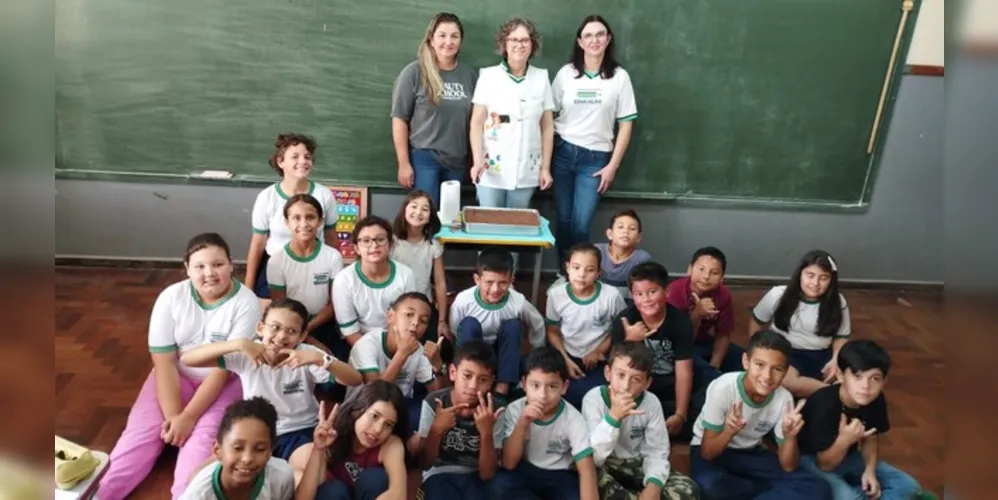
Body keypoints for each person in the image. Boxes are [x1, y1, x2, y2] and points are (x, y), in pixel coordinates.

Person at [98, 233, 261, 500]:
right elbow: (163, 360)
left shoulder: (246, 303)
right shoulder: (171, 297)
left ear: (231, 265)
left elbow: (222, 370)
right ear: (187, 268)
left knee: (200, 451)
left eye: (218, 264)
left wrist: (189, 418)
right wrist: (174, 417)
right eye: (199, 266)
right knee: (135, 441)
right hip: (174, 377)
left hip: (225, 382)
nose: (209, 273)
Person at [180, 298, 362, 460]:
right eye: (275, 327)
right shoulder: (247, 352)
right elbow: (188, 359)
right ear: (260, 328)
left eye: (292, 331)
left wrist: (320, 359)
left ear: (302, 336)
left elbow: (354, 379)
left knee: (302, 470)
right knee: (212, 470)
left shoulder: (307, 355)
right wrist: (237, 344)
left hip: (299, 429)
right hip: (256, 429)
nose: (282, 336)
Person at [690, 330, 831, 500]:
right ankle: (760, 489)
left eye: (777, 369)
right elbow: (707, 453)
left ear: (785, 372)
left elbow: (788, 467)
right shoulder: (723, 387)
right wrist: (729, 431)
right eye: (759, 365)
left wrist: (789, 437)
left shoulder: (784, 398)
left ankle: (754, 489)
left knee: (817, 487)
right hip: (714, 450)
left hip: (750, 452)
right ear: (746, 362)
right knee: (710, 486)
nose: (767, 376)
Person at [551, 14, 637, 266]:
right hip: (563, 152)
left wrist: (613, 166)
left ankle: (580, 274)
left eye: (600, 34)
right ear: (580, 41)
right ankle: (563, 272)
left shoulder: (619, 77)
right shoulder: (566, 74)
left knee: (581, 224)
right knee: (563, 219)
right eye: (588, 35)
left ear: (608, 39)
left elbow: (626, 124)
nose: (594, 40)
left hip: (595, 160)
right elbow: (547, 115)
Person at [797, 340, 924, 500]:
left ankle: (861, 491)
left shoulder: (875, 400)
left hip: (850, 457)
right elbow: (824, 465)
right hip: (812, 461)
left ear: (884, 382)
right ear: (841, 376)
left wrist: (869, 471)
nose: (866, 386)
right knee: (850, 497)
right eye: (857, 376)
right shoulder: (823, 404)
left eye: (874, 379)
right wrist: (844, 440)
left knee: (908, 486)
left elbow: (871, 437)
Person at [581, 342, 700, 500]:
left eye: (636, 379)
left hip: (638, 464)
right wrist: (613, 418)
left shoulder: (651, 403)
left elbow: (656, 452)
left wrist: (653, 485)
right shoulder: (593, 399)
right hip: (606, 464)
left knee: (689, 490)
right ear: (608, 373)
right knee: (591, 478)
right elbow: (594, 457)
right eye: (620, 375)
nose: (625, 386)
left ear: (647, 383)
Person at [610, 261, 710, 440]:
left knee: (703, 403)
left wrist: (680, 414)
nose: (646, 299)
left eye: (652, 292)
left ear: (667, 292)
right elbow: (616, 368)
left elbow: (683, 371)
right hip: (639, 385)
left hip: (671, 384)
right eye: (639, 294)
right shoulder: (624, 321)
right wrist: (630, 341)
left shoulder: (680, 322)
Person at [391, 13, 478, 207]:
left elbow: (475, 122)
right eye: (442, 35)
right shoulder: (414, 72)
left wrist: (474, 160)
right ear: (431, 39)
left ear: (461, 41)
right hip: (425, 158)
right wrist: (403, 164)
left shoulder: (469, 75)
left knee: (450, 216)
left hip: (457, 160)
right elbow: (399, 119)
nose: (448, 41)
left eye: (454, 36)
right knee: (425, 213)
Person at [490, 347, 599, 500]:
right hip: (526, 470)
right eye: (535, 385)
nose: (542, 395)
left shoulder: (573, 418)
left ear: (564, 387)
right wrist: (522, 423)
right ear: (524, 384)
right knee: (499, 484)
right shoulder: (515, 409)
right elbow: (509, 463)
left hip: (559, 476)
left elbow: (586, 469)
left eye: (552, 387)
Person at [469, 16, 554, 210]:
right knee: (490, 222)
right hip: (491, 167)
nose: (519, 45)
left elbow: (547, 127)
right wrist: (477, 160)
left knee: (517, 223)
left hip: (527, 168)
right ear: (504, 44)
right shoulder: (489, 76)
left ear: (532, 45)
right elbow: (476, 123)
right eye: (514, 39)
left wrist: (545, 168)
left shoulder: (541, 78)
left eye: (525, 40)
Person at [246, 134, 338, 299]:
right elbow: (258, 244)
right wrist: (248, 288)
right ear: (281, 162)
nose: (303, 161)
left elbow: (331, 239)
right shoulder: (267, 197)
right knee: (273, 309)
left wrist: (337, 280)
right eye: (295, 157)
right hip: (275, 265)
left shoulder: (324, 195)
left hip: (315, 265)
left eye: (307, 157)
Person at [749, 250, 851, 397]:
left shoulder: (839, 301)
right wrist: (756, 351)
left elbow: (841, 336)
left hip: (822, 354)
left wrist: (835, 360)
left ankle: (828, 391)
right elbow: (757, 321)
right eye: (810, 275)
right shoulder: (778, 294)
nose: (815, 283)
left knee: (853, 374)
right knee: (787, 382)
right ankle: (837, 394)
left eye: (824, 278)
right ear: (800, 274)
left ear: (831, 280)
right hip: (785, 350)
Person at [449, 246, 546, 396]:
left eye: (502, 283)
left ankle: (503, 387)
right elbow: (455, 329)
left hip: (503, 352)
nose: (495, 289)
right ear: (477, 280)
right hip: (474, 348)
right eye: (489, 282)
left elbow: (537, 323)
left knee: (513, 326)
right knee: (468, 324)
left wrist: (537, 350)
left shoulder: (517, 301)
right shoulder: (463, 300)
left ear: (511, 281)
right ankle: (470, 379)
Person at [415, 340, 505, 500]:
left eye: (483, 379)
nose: (473, 386)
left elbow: (487, 474)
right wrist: (436, 430)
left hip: (477, 476)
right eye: (467, 376)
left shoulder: (495, 411)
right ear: (452, 372)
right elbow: (425, 463)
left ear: (491, 382)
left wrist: (486, 433)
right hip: (439, 474)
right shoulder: (434, 403)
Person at [348, 292, 446, 435]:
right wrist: (402, 354)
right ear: (391, 316)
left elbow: (438, 395)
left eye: (423, 321)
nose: (415, 323)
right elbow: (375, 394)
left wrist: (437, 366)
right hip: (363, 411)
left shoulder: (418, 349)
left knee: (431, 411)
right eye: (409, 314)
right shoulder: (367, 344)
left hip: (398, 407)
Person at [292, 381, 409, 500]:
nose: (378, 429)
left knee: (376, 479)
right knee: (333, 491)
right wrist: (318, 450)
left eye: (388, 425)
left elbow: (398, 494)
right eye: (374, 416)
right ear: (356, 410)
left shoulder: (390, 444)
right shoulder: (331, 435)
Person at [546, 243, 626, 408]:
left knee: (598, 395)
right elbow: (552, 331)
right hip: (567, 355)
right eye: (576, 268)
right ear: (567, 268)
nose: (581, 275)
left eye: (589, 270)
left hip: (599, 359)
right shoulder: (556, 294)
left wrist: (598, 351)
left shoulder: (611, 296)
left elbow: (620, 328)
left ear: (598, 273)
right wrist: (565, 359)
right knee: (550, 388)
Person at [330, 215, 417, 360]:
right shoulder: (343, 280)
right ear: (356, 248)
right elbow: (350, 331)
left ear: (390, 244)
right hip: (359, 343)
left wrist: (396, 353)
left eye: (380, 239)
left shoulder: (406, 275)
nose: (374, 245)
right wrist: (374, 356)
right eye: (366, 241)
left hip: (397, 342)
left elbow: (408, 320)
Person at [267, 194, 344, 354]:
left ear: (320, 221)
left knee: (334, 360)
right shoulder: (277, 261)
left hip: (323, 323)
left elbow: (334, 304)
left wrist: (306, 330)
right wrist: (302, 335)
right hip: (288, 327)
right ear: (287, 222)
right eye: (296, 218)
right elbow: (280, 307)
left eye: (310, 217)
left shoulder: (332, 256)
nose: (304, 224)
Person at [178, 397, 295, 499]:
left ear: (270, 451)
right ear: (217, 450)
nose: (247, 458)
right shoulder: (198, 494)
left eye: (260, 449)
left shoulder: (281, 478)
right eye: (238, 448)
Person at [389, 191, 451, 355]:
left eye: (425, 209)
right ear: (404, 210)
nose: (418, 212)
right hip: (397, 306)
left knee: (434, 351)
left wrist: (442, 320)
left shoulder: (433, 245)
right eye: (414, 207)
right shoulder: (392, 242)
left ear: (430, 216)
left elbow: (440, 282)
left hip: (424, 308)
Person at [666, 246, 741, 375]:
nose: (706, 277)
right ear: (689, 269)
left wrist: (715, 365)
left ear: (722, 277)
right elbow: (681, 339)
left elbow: (723, 334)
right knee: (702, 372)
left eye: (714, 273)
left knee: (745, 359)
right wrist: (697, 314)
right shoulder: (674, 292)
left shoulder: (723, 295)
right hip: (676, 345)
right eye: (701, 269)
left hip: (704, 341)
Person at [595, 210, 651, 300]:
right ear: (610, 234)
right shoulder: (597, 252)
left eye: (632, 228)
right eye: (620, 227)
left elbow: (641, 292)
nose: (625, 231)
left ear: (638, 237)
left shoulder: (642, 259)